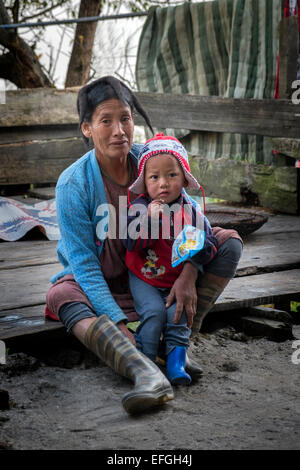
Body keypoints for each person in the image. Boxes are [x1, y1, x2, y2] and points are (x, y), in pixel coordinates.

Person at [45, 75, 243, 414]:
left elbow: (198, 223)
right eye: (105, 121)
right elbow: (84, 265)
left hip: (158, 276)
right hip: (103, 284)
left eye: (125, 118)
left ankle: (177, 344)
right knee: (60, 294)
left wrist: (190, 274)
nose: (119, 130)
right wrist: (117, 323)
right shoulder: (73, 184)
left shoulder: (154, 162)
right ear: (87, 129)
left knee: (228, 243)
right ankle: (144, 371)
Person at [122, 133, 219, 385]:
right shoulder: (140, 209)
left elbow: (209, 245)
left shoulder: (191, 211)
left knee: (178, 315)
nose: (163, 183)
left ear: (184, 177)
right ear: (144, 181)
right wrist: (150, 222)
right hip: (144, 275)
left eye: (172, 175)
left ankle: (176, 363)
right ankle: (147, 361)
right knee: (153, 313)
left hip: (175, 278)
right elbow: (131, 244)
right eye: (154, 177)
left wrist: (196, 252)